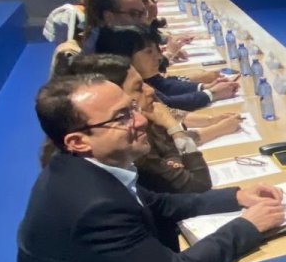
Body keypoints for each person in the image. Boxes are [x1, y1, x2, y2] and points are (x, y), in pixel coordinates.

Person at [18, 75, 284, 262]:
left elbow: (159, 203)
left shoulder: (81, 167)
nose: (141, 119)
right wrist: (247, 225)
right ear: (78, 141)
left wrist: (236, 197)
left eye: (131, 107)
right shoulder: (92, 206)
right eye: (122, 117)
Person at [56, 54, 232, 193]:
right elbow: (199, 184)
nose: (150, 90)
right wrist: (174, 128)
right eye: (138, 87)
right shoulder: (126, 144)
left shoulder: (140, 118)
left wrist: (172, 158)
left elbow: (168, 145)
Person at [95, 24, 239, 112]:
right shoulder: (122, 86)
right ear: (124, 56)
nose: (159, 57)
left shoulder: (142, 74)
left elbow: (164, 84)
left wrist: (203, 87)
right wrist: (211, 94)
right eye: (149, 52)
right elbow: (167, 104)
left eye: (157, 50)